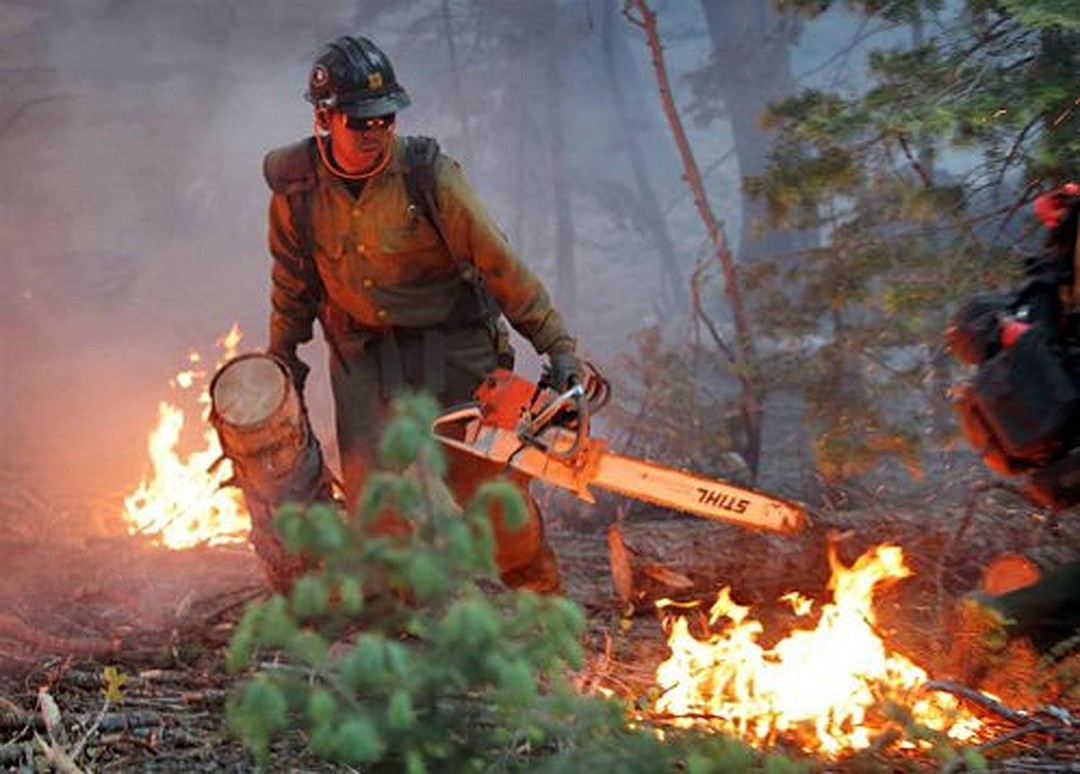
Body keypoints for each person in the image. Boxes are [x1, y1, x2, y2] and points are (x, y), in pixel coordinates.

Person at [261, 35, 583, 594]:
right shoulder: (296, 191)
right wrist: (282, 358)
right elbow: (291, 283)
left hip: (456, 350)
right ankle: (400, 633)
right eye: (360, 121)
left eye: (385, 118)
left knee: (489, 493)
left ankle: (543, 606)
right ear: (324, 118)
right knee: (374, 501)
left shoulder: (429, 176)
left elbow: (501, 265)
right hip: (363, 356)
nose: (376, 131)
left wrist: (557, 346)